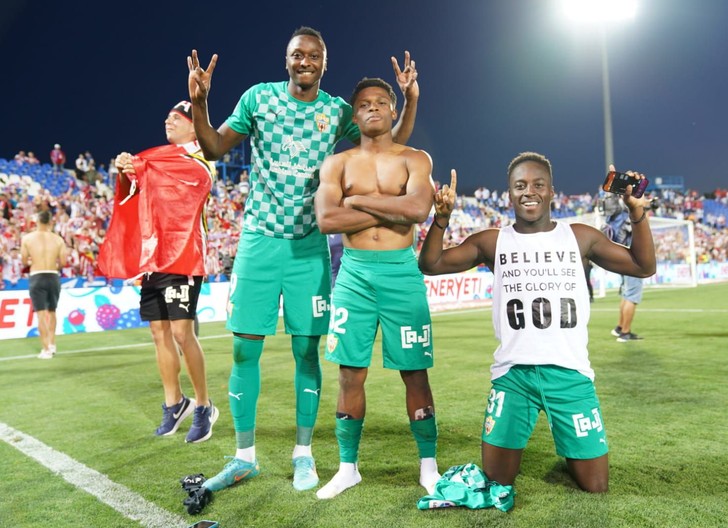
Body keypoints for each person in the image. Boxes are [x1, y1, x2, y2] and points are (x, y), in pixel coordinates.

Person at [187, 26, 419, 493]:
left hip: (308, 247)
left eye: (314, 55)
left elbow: (387, 143)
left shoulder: (336, 112)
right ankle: (243, 456)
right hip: (258, 242)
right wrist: (199, 101)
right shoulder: (258, 99)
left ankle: (303, 455)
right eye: (298, 54)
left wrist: (410, 100)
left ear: (323, 63)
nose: (305, 61)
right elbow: (214, 147)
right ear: (287, 60)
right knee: (243, 348)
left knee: (306, 351)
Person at [418, 152, 656, 499]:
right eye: (520, 186)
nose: (529, 191)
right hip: (514, 377)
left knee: (595, 484)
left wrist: (637, 213)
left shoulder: (580, 237)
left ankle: (572, 446)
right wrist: (440, 219)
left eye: (537, 184)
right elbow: (432, 264)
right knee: (498, 481)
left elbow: (642, 265)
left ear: (552, 191)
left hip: (570, 375)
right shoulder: (492, 241)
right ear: (509, 194)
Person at [313, 78, 440, 499]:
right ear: (355, 116)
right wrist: (390, 212)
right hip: (354, 275)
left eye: (381, 103)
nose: (373, 109)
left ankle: (428, 465)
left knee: (415, 372)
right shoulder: (337, 163)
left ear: (391, 110)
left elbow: (418, 209)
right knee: (350, 373)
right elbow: (327, 221)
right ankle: (348, 467)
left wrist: (357, 202)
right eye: (364, 104)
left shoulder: (415, 158)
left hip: (402, 273)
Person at [99, 100, 219, 443]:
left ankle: (203, 406)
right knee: (159, 332)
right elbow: (134, 195)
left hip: (184, 256)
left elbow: (193, 184)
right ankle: (174, 403)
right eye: (166, 116)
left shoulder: (200, 162)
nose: (168, 121)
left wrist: (142, 165)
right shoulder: (155, 162)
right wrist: (127, 170)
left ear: (194, 127)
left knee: (183, 333)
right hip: (155, 258)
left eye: (177, 118)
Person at [21, 209, 68, 359]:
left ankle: (46, 349)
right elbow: (63, 262)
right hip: (53, 276)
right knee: (52, 312)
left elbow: (23, 261)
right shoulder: (58, 239)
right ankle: (52, 344)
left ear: (37, 221)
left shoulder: (27, 238)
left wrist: (34, 261)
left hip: (37, 276)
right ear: (50, 222)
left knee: (41, 314)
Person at [602, 194, 644, 342]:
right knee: (632, 296)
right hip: (632, 259)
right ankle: (625, 333)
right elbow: (641, 227)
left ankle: (620, 327)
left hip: (621, 259)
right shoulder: (627, 216)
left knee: (626, 294)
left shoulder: (612, 218)